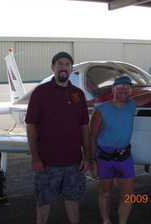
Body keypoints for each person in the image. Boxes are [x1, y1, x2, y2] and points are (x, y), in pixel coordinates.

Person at [89, 76, 151, 224]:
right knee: (106, 193)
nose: (123, 90)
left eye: (127, 88)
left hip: (124, 158)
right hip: (104, 159)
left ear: (130, 91)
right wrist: (92, 160)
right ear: (113, 89)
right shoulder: (100, 110)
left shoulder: (131, 104)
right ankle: (106, 221)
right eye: (120, 87)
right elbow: (92, 137)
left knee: (128, 195)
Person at [25, 51, 91, 224]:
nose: (64, 67)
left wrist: (87, 156)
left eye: (67, 64)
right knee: (43, 202)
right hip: (47, 163)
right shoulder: (41, 92)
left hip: (73, 163)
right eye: (60, 64)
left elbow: (84, 126)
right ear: (53, 67)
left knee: (73, 200)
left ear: (71, 69)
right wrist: (35, 157)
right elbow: (30, 126)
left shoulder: (78, 94)